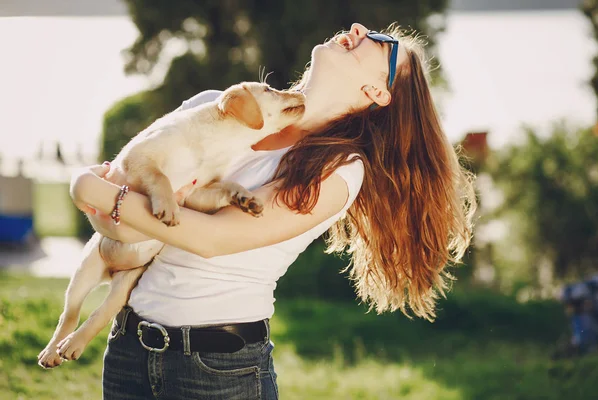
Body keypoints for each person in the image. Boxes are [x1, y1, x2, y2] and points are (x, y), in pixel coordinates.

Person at [69, 22, 476, 400]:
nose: (357, 29)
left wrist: (89, 189)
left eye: (380, 42)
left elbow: (211, 238)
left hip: (216, 371)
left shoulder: (339, 170)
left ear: (378, 93)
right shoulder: (217, 104)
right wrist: (110, 204)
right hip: (127, 349)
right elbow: (122, 225)